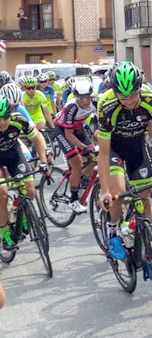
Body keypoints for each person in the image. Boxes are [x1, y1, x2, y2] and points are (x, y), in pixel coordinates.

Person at [96, 62, 152, 260]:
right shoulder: (107, 108)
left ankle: (149, 251)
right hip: (114, 147)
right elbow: (104, 154)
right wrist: (105, 190)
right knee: (119, 193)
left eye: (132, 95)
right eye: (123, 97)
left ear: (139, 88)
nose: (129, 101)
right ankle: (113, 231)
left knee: (144, 196)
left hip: (136, 146)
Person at [0, 97, 50, 250]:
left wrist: (43, 161)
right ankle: (5, 231)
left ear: (11, 113)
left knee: (29, 187)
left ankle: (23, 212)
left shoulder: (19, 120)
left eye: (5, 117)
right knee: (2, 193)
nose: (2, 121)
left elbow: (38, 139)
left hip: (13, 153)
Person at [54, 80, 98, 213]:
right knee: (77, 164)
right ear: (75, 97)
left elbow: (98, 124)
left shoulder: (95, 102)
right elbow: (69, 136)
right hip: (63, 131)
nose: (85, 101)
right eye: (81, 98)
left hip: (78, 129)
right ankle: (73, 200)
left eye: (87, 98)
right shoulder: (71, 108)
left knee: (96, 156)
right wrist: (83, 147)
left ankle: (78, 178)